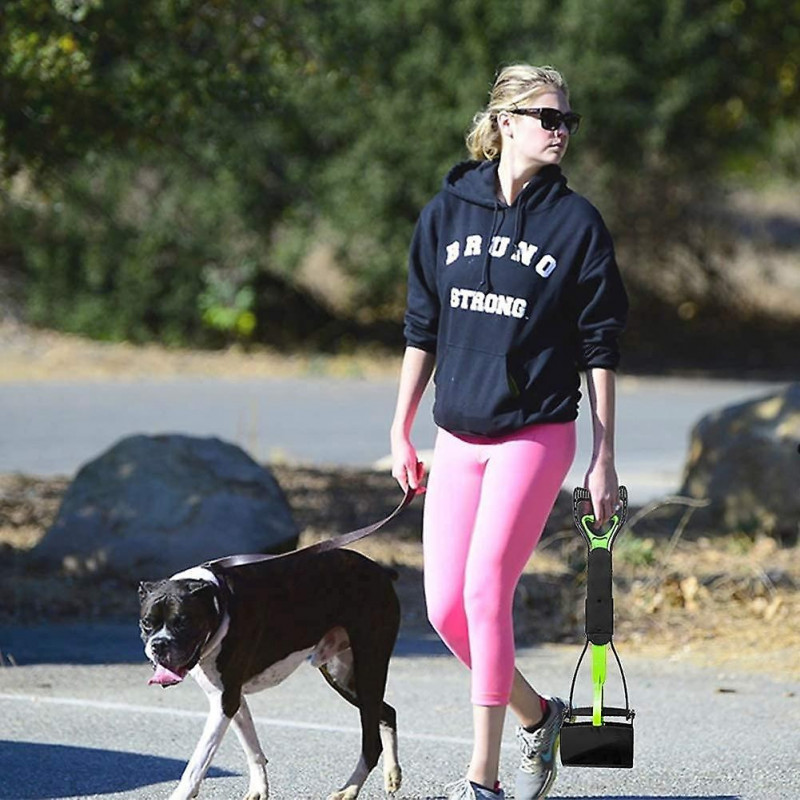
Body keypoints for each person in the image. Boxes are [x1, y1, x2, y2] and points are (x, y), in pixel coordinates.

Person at [389, 64, 628, 800]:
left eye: (567, 120)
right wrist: (400, 427)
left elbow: (600, 346)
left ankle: (481, 780)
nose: (560, 131)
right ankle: (540, 717)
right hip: (458, 431)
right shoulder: (446, 211)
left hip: (537, 431)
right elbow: (422, 327)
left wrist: (603, 457)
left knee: (488, 588)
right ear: (505, 123)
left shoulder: (576, 223)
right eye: (547, 117)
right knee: (444, 610)